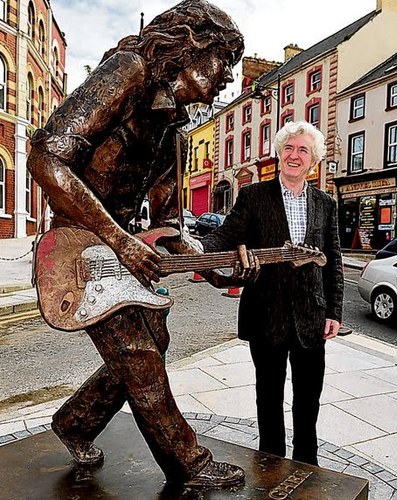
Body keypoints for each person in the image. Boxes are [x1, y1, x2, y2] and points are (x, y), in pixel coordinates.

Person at [27, 0, 246, 489]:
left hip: (114, 248)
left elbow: (169, 228)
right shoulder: (128, 71)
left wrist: (214, 267)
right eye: (223, 63)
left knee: (154, 341)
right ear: (191, 47)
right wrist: (120, 243)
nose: (228, 78)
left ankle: (75, 422)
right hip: (75, 247)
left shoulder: (175, 133)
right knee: (138, 352)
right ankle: (189, 464)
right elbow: (46, 156)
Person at [201, 121, 344, 466]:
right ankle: (271, 464)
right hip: (266, 315)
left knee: (308, 399)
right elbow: (225, 235)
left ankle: (307, 464)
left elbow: (334, 259)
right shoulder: (254, 196)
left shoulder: (325, 203)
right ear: (280, 153)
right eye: (289, 148)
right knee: (268, 397)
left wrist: (334, 312)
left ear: (314, 161)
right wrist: (196, 249)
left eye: (303, 150)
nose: (295, 156)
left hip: (311, 317)